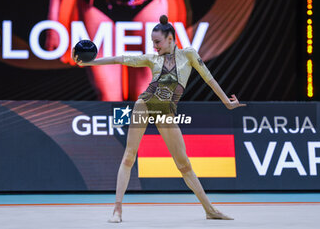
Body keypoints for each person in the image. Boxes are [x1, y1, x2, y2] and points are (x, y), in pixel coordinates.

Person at [73, 15, 246, 223]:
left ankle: (210, 210)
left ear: (171, 39)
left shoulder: (189, 54)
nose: (154, 46)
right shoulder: (152, 59)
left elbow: (209, 79)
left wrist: (226, 102)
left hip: (166, 113)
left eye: (157, 42)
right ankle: (117, 210)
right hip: (144, 106)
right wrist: (90, 61)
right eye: (153, 42)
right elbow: (120, 59)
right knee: (129, 156)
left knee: (184, 165)